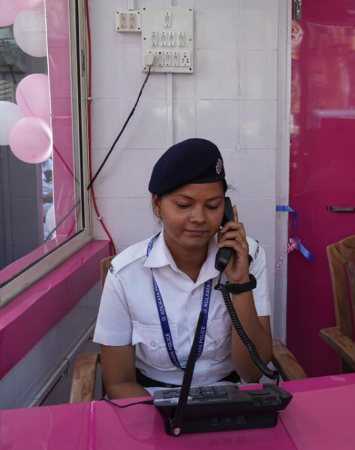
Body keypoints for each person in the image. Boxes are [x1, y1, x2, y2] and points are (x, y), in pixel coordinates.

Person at [93, 138, 272, 399]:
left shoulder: (250, 257)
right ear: (157, 205)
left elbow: (253, 372)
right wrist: (163, 419)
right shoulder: (124, 273)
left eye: (212, 206)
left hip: (229, 397)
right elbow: (118, 382)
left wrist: (240, 284)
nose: (199, 218)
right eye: (184, 205)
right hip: (152, 399)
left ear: (226, 210)